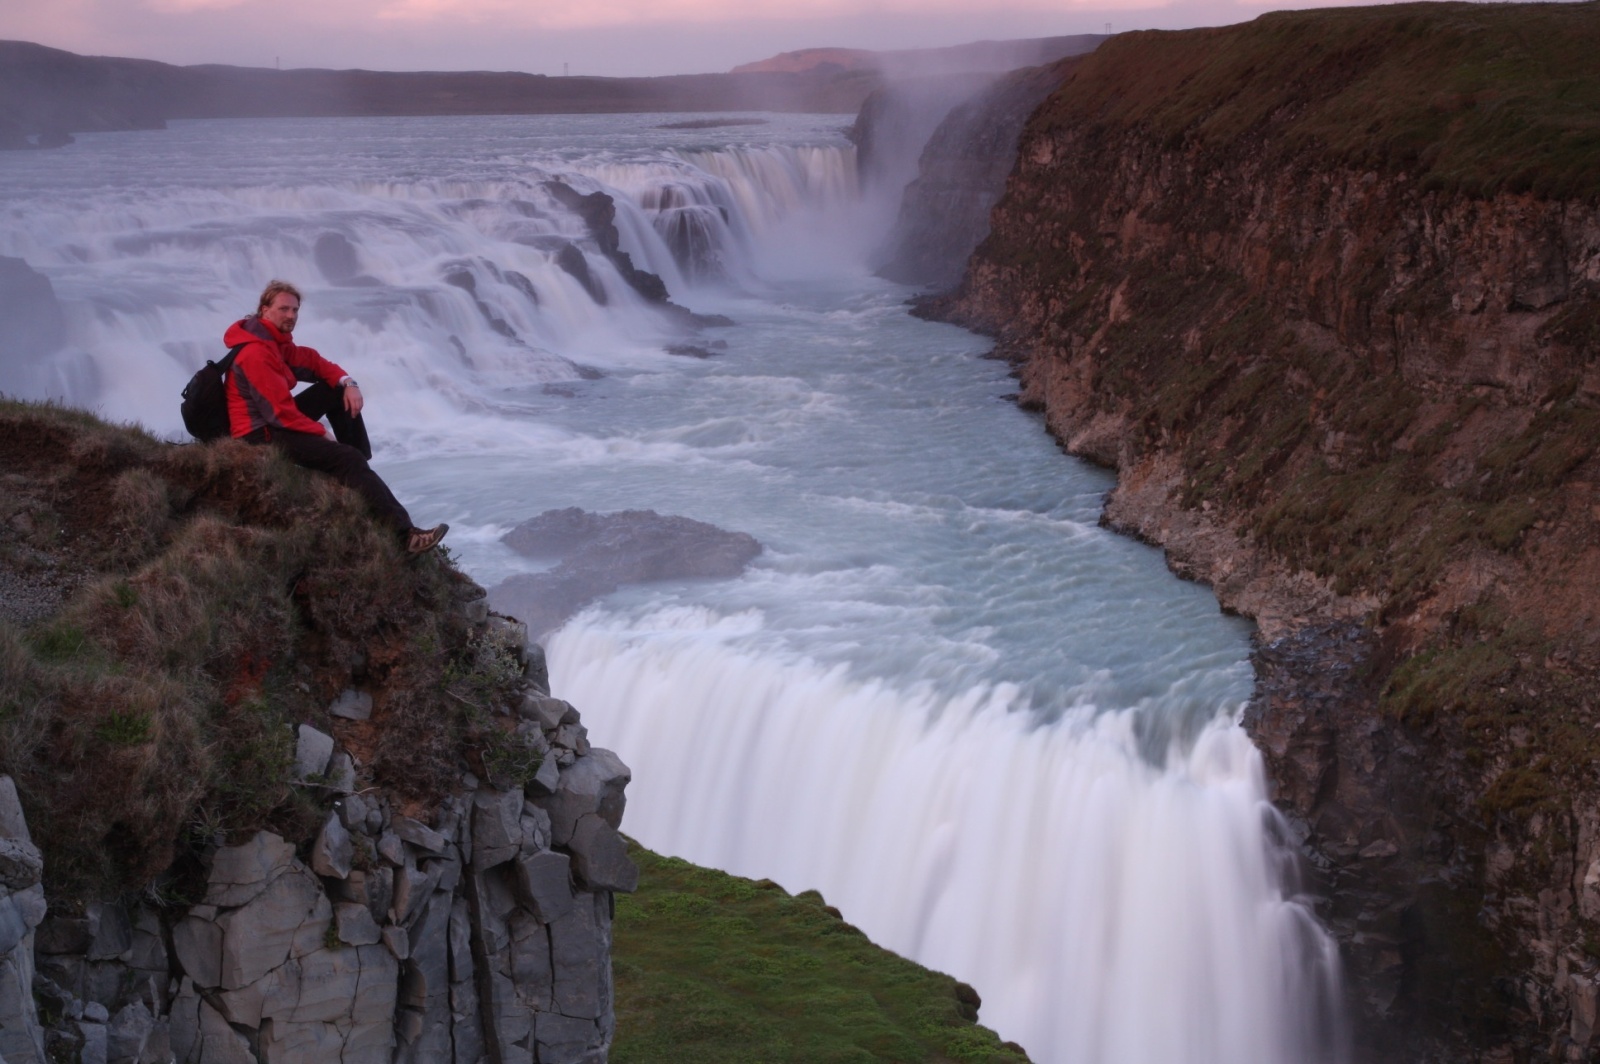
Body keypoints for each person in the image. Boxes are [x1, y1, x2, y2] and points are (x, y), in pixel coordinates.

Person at [224, 280, 448, 554]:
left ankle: (357, 471)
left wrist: (348, 383)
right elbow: (279, 414)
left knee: (334, 390)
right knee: (345, 457)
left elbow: (316, 363)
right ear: (264, 310)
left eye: (295, 310)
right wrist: (320, 433)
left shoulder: (275, 342)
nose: (291, 316)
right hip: (259, 434)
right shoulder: (257, 352)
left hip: (272, 420)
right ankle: (406, 538)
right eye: (284, 309)